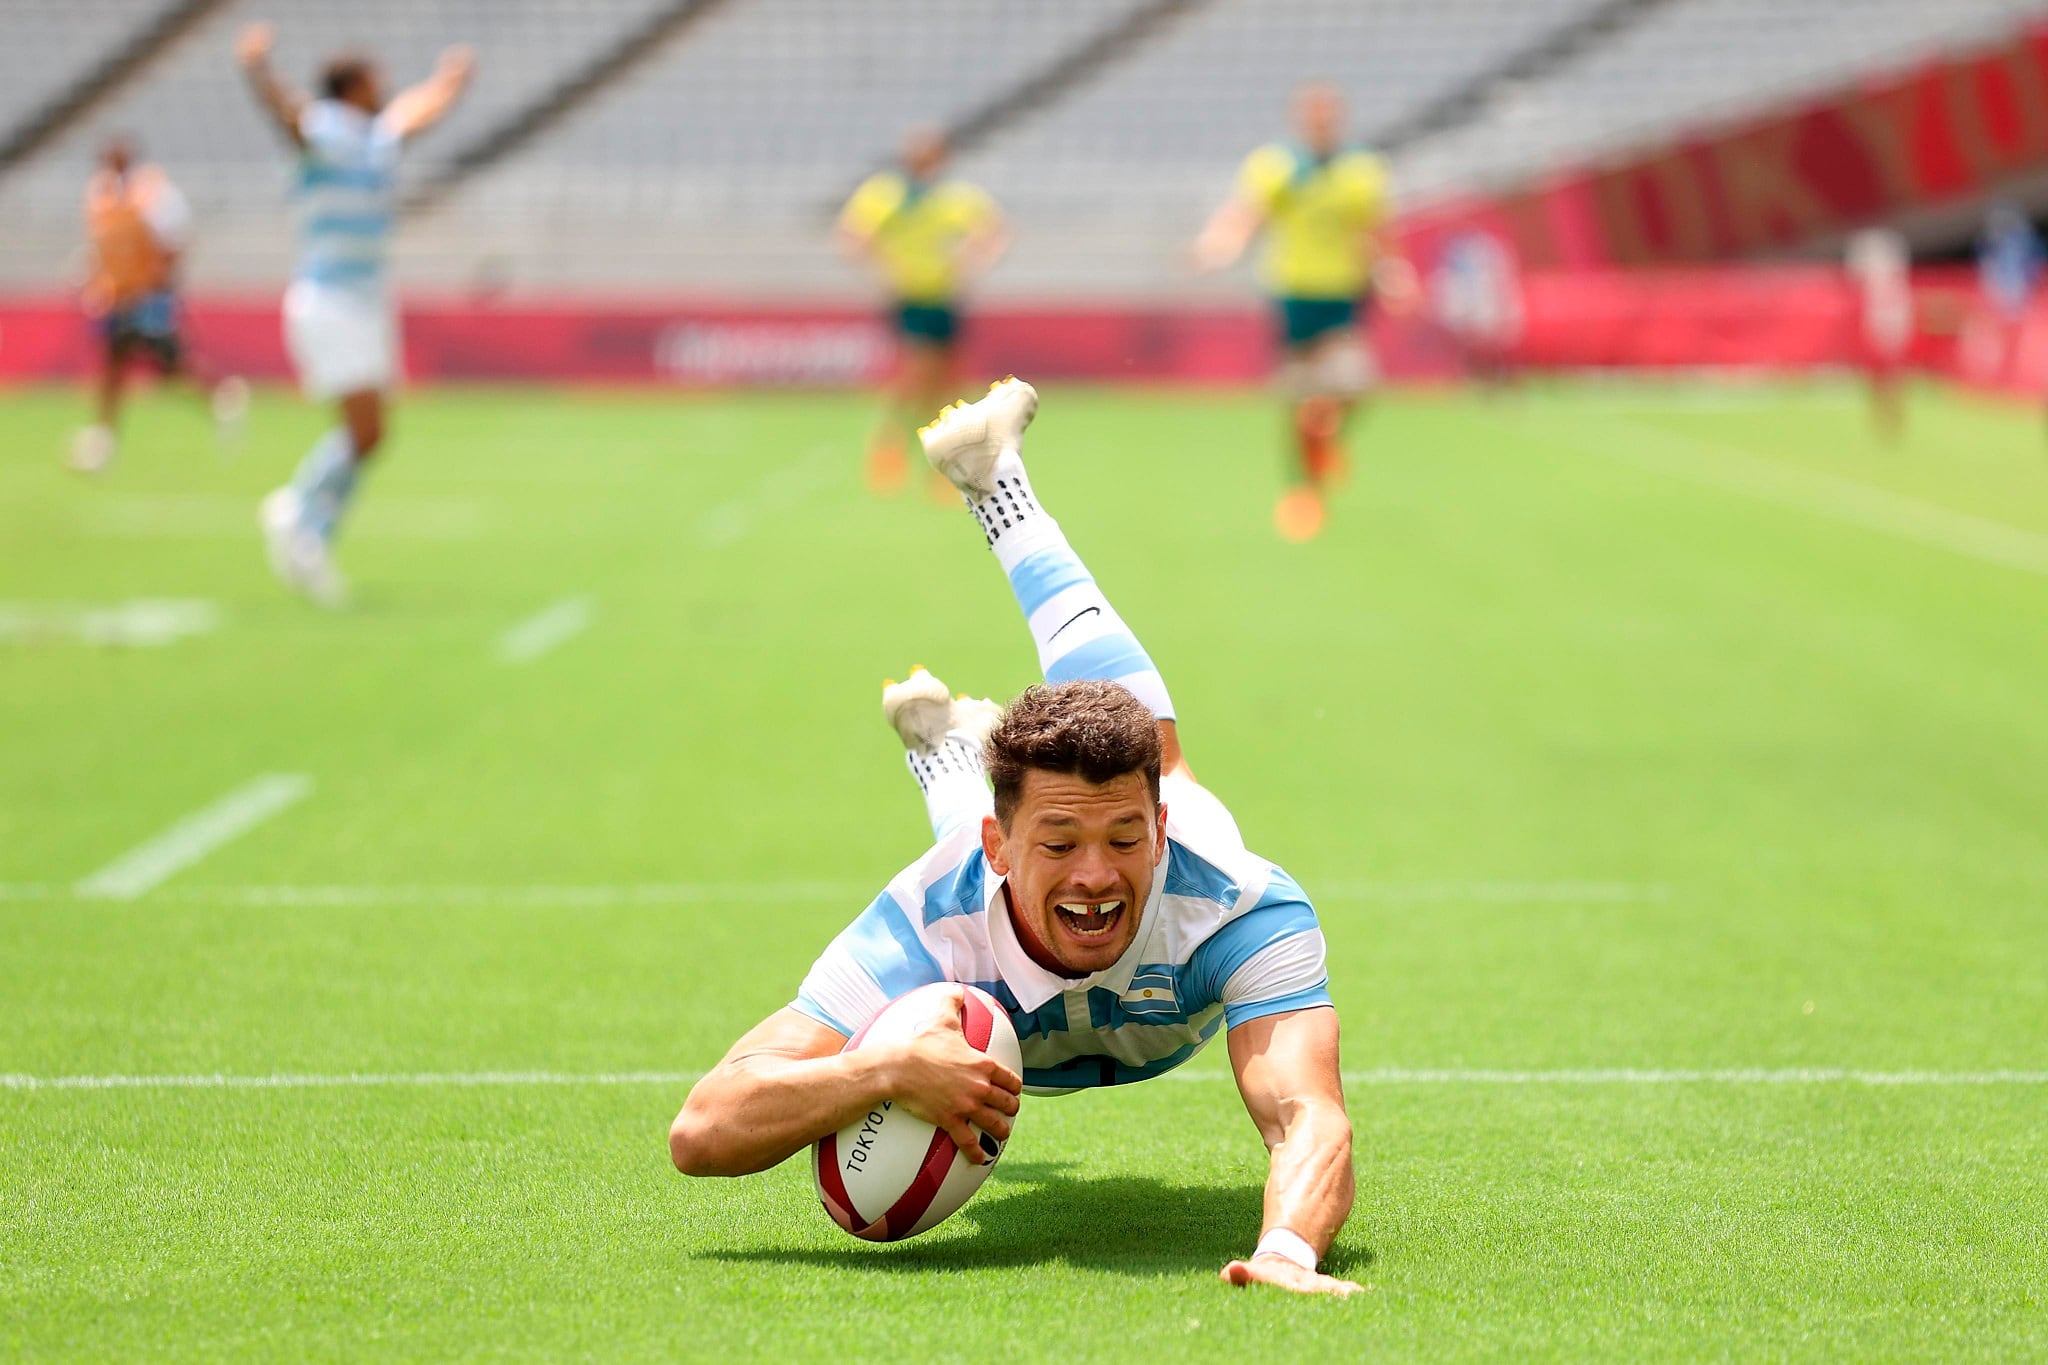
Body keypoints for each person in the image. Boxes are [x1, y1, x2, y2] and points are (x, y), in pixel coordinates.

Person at [669, 379, 1360, 1298]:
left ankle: (997, 495)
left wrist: (1287, 1251)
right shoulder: (924, 922)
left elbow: (1309, 1116)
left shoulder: (1240, 906)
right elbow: (702, 1128)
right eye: (1063, 840)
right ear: (1004, 849)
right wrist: (884, 1067)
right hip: (975, 916)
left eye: (1125, 835)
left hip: (1105, 894)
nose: (1098, 873)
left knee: (1160, 752)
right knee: (967, 864)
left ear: (1157, 832)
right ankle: (952, 733)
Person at [236, 22, 474, 605]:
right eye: (376, 81)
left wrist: (449, 83)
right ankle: (302, 522)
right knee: (364, 430)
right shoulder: (326, 130)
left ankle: (303, 520)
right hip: (330, 298)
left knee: (371, 436)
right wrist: (259, 70)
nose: (386, 88)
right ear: (352, 87)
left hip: (366, 301)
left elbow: (418, 112)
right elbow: (288, 118)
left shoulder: (375, 137)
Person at [1194, 84, 1407, 542]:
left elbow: (1374, 229)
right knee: (1299, 399)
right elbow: (1246, 214)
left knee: (1354, 384)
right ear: (1300, 118)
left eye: (1328, 114)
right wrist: (1220, 245)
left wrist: (1393, 273)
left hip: (1342, 295)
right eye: (1313, 114)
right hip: (1292, 295)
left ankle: (1324, 438)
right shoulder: (1278, 167)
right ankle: (1303, 492)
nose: (1321, 121)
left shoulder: (1361, 171)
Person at [837, 128, 1009, 496]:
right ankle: (893, 446)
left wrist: (971, 261)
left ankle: (936, 459)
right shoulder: (888, 194)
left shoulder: (953, 198)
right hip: (911, 298)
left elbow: (994, 232)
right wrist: (885, 269)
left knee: (947, 382)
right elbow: (853, 235)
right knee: (919, 375)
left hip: (944, 298)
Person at [70, 136, 247, 474]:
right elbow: (103, 246)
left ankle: (220, 397)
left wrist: (157, 285)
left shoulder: (155, 192)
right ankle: (103, 438)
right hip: (115, 296)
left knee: (169, 363)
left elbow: (175, 243)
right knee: (113, 362)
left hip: (148, 295)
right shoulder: (100, 193)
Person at [1845, 227, 1912, 441]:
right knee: (1877, 367)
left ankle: (1891, 411)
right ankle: (1882, 411)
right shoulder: (1868, 249)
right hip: (1878, 312)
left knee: (1891, 366)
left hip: (1891, 312)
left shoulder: (1889, 250)